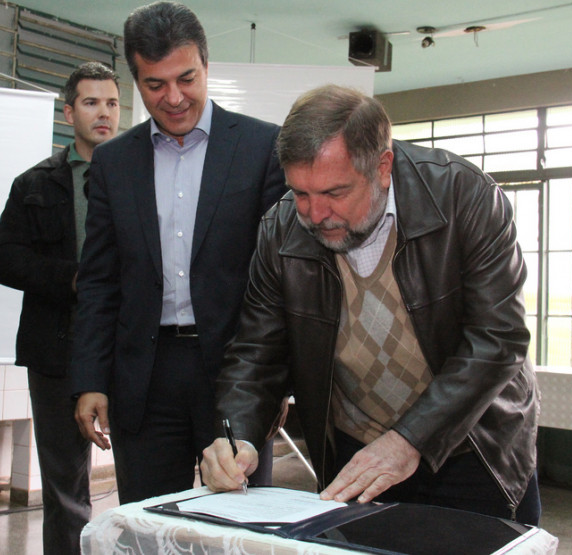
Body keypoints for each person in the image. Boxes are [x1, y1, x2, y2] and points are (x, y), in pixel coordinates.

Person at [201, 84, 541, 526]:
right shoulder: (281, 228)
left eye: (334, 193)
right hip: (355, 449)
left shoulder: (463, 197)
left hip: (472, 446)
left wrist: (409, 440)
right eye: (300, 193)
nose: (314, 214)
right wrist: (238, 437)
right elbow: (257, 353)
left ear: (383, 166)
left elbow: (498, 338)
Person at [72, 1, 286, 504]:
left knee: (242, 521)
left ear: (207, 65)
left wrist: (279, 380)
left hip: (236, 374)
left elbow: (279, 280)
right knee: (150, 524)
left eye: (186, 78)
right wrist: (90, 379)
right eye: (155, 84)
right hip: (142, 378)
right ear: (135, 81)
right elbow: (99, 280)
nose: (173, 98)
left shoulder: (261, 148)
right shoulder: (113, 163)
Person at [0, 61, 120, 554]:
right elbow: (4, 260)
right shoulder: (35, 183)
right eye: (91, 103)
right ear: (69, 112)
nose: (103, 113)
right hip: (55, 350)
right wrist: (71, 277)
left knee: (145, 477)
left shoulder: (141, 175)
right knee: (65, 488)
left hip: (129, 347)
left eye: (111, 103)